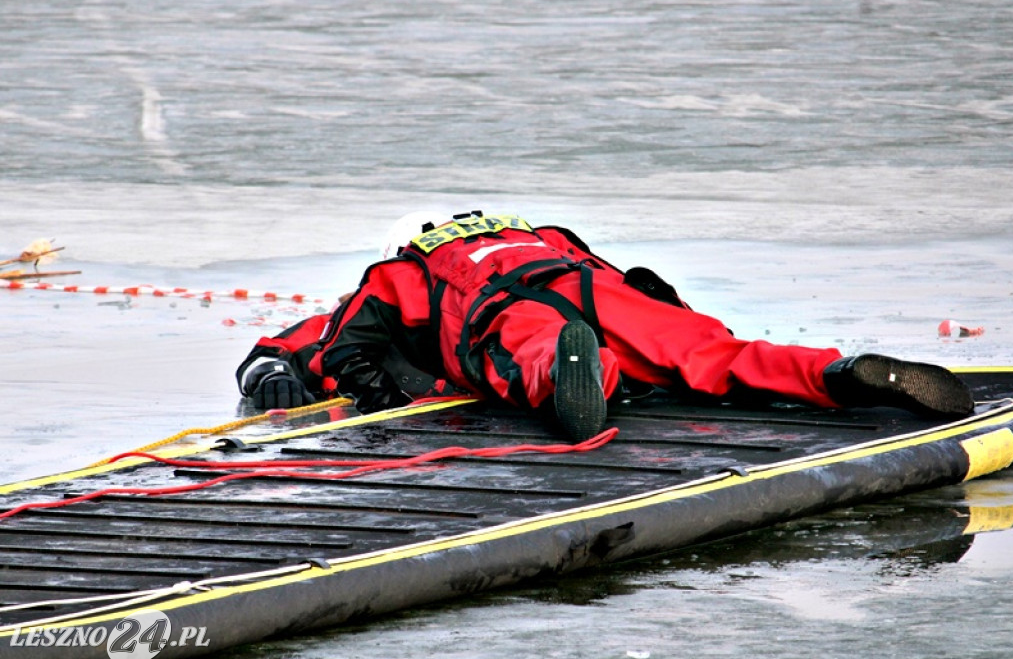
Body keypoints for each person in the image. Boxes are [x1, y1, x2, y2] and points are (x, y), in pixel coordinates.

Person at [236, 210, 974, 442]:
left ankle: (571, 374)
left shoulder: (402, 276)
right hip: (597, 287)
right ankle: (835, 373)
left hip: (507, 311)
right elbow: (628, 282)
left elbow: (314, 347)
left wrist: (273, 376)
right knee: (713, 355)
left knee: (526, 358)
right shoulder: (540, 233)